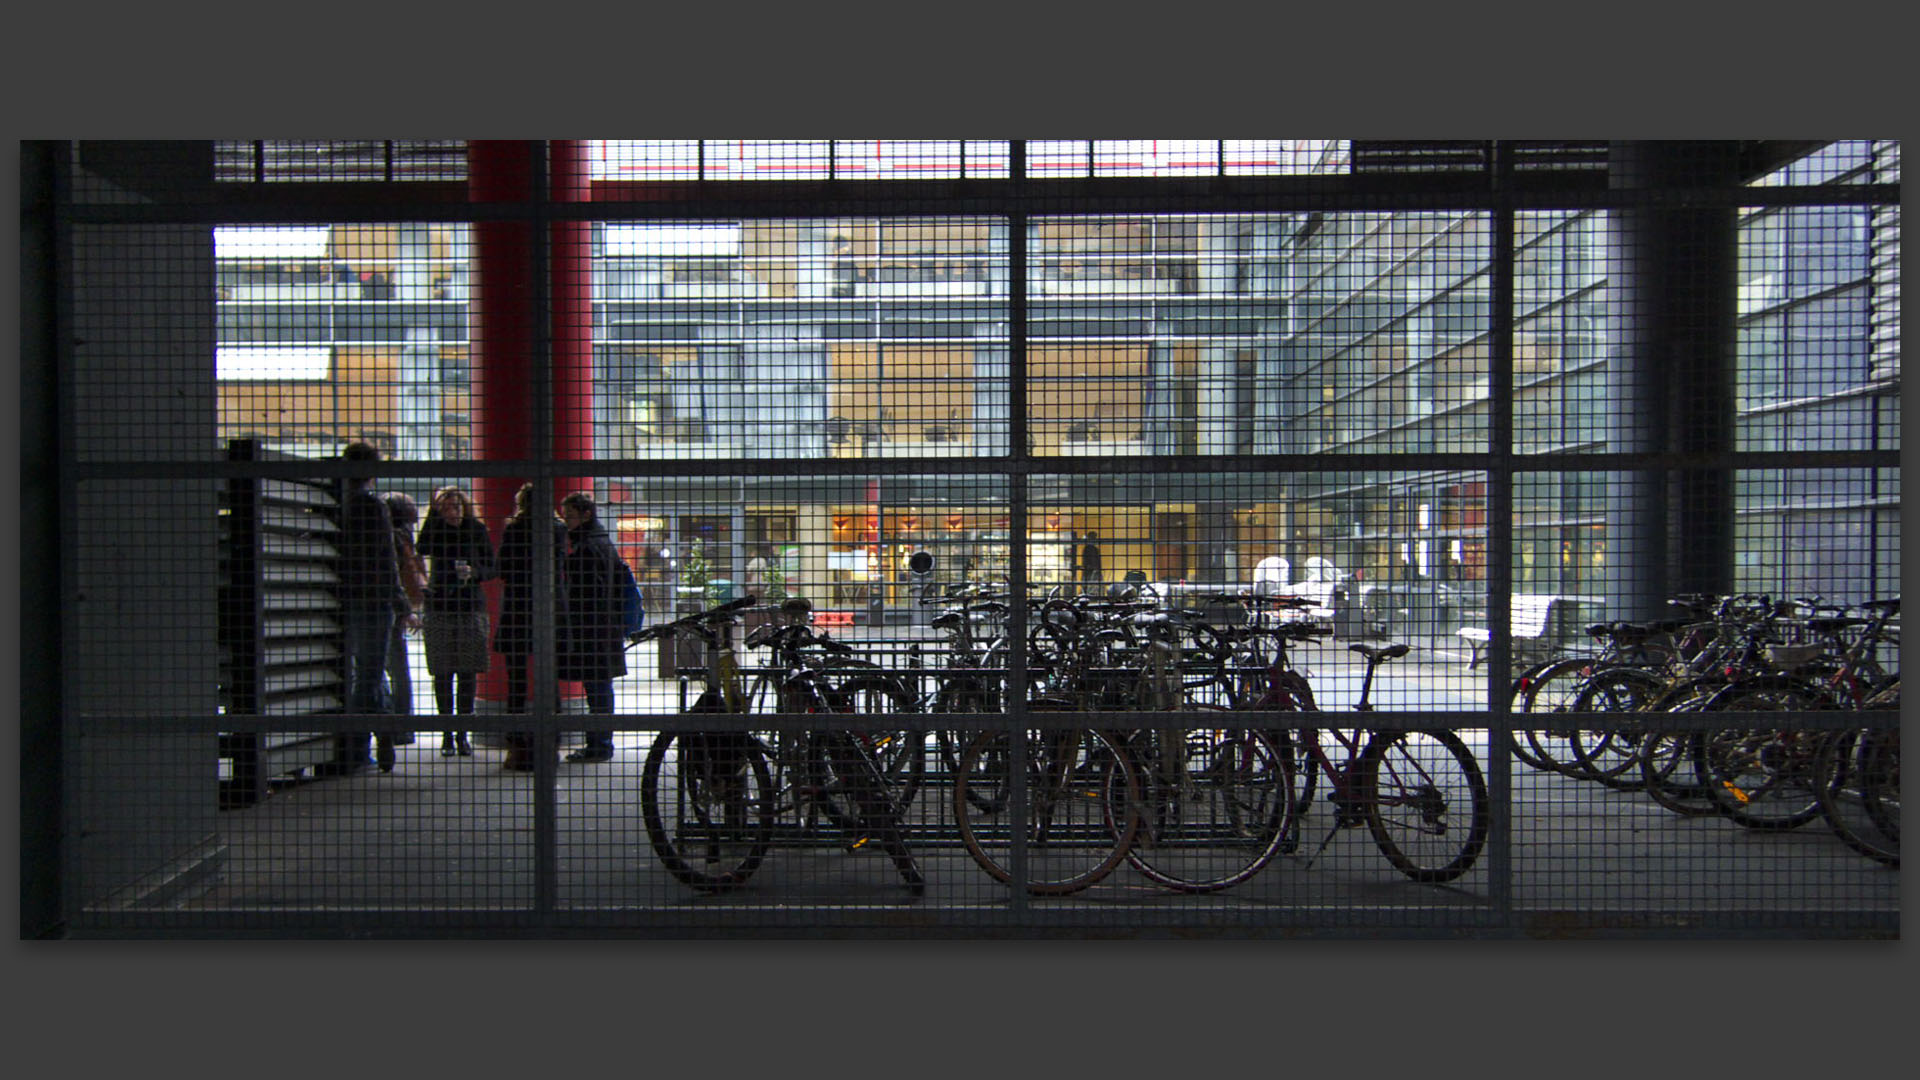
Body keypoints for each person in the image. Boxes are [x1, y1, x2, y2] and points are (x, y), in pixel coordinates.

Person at [337, 442, 406, 772]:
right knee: (371, 673)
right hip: (375, 599)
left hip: (343, 597)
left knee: (358, 673)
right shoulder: (373, 506)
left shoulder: (337, 503)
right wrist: (400, 599)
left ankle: (368, 741)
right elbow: (385, 558)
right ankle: (375, 736)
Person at [415, 485, 496, 757]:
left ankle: (463, 733)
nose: (453, 512)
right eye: (447, 507)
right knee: (442, 671)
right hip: (439, 606)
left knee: (467, 672)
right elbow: (422, 546)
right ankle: (447, 733)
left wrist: (473, 573)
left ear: (466, 507)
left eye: (457, 506)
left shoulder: (476, 530)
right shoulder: (435, 530)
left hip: (469, 606)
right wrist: (434, 517)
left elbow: (491, 567)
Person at [495, 483, 567, 772]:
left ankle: (516, 746)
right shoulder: (558, 529)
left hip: (519, 609)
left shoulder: (514, 530)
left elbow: (503, 568)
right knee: (550, 680)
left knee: (517, 682)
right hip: (550, 609)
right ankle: (552, 744)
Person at [559, 491, 625, 762]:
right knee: (601, 688)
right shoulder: (603, 542)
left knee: (596, 689)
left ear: (586, 514)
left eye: (570, 516)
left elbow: (586, 594)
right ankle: (601, 743)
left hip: (591, 630)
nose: (566, 522)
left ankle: (598, 745)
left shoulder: (586, 548)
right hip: (605, 629)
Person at [378, 492, 429, 771]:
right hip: (400, 606)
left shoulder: (391, 536)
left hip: (388, 607)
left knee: (390, 668)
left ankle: (396, 725)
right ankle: (403, 726)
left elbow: (393, 574)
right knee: (399, 668)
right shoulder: (406, 536)